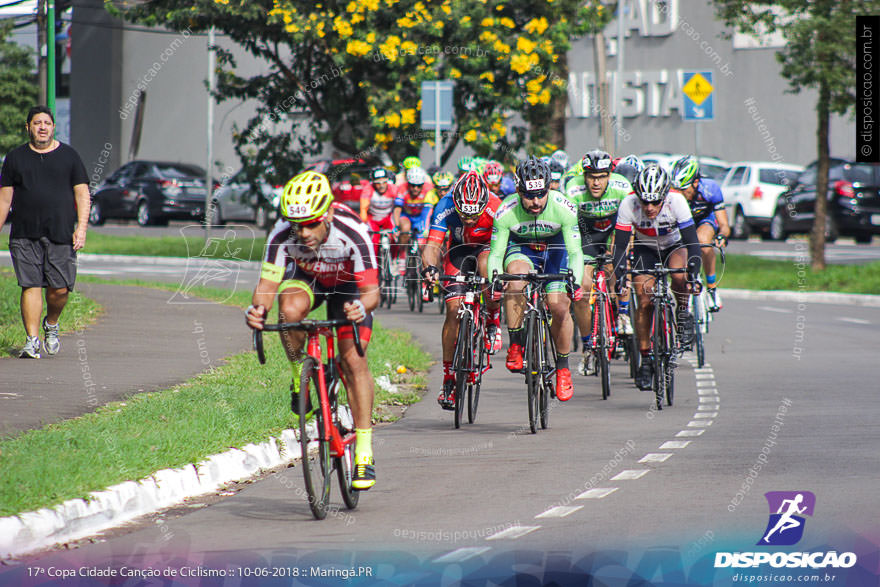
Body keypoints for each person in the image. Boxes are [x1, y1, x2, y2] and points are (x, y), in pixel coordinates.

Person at [245, 171, 380, 490]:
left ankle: (363, 450)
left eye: (311, 223)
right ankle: (299, 375)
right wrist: (258, 310)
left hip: (348, 290)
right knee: (288, 311)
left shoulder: (354, 231)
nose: (303, 232)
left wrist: (360, 308)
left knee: (352, 362)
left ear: (329, 213)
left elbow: (372, 292)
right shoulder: (281, 234)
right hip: (309, 281)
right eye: (297, 225)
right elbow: (266, 286)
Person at [488, 157, 584, 401]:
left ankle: (563, 369)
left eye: (541, 194)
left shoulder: (564, 206)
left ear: (549, 187)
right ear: (519, 190)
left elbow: (574, 252)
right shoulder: (506, 210)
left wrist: (576, 281)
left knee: (558, 306)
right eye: (529, 195)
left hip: (556, 251)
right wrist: (495, 280)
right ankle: (517, 343)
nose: (535, 201)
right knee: (515, 280)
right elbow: (497, 254)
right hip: (522, 250)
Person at [0, 105, 90, 359]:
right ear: (28, 127)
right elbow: (4, 201)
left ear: (53, 127)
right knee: (30, 285)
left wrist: (81, 228)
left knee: (59, 289)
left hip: (61, 233)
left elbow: (82, 194)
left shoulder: (70, 157)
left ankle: (51, 324)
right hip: (24, 234)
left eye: (47, 123)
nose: (42, 127)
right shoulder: (15, 158)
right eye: (37, 123)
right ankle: (32, 340)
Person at [610, 164, 702, 391]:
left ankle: (682, 312)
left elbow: (692, 242)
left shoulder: (677, 201)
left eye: (655, 202)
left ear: (665, 196)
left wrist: (694, 273)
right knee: (644, 300)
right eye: (645, 202)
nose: (649, 207)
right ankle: (646, 358)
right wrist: (620, 274)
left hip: (674, 245)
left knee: (680, 276)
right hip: (646, 249)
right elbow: (620, 247)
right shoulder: (628, 204)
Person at [422, 171, 503, 409]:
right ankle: (448, 378)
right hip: (458, 251)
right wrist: (429, 268)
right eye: (463, 214)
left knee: (488, 269)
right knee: (453, 309)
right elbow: (433, 245)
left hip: (488, 248)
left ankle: (492, 320)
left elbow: (504, 243)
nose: (468, 219)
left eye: (473, 215)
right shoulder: (445, 205)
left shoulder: (495, 206)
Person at [563, 149, 634, 376]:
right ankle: (588, 346)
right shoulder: (572, 189)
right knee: (582, 290)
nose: (596, 182)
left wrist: (623, 253)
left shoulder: (622, 187)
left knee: (620, 265)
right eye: (591, 176)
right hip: (586, 238)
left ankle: (622, 312)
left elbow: (629, 225)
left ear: (609, 176)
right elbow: (569, 229)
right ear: (584, 176)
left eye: (601, 176)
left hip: (614, 232)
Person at [670, 155, 730, 311]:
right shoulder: (674, 196)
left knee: (702, 242)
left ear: (696, 183)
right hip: (682, 222)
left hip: (704, 220)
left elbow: (724, 224)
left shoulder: (710, 189)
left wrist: (722, 235)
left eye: (684, 189)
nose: (680, 194)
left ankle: (711, 288)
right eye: (677, 189)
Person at [392, 166, 435, 268]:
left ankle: (422, 265)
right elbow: (397, 209)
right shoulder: (402, 189)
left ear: (423, 184)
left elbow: (430, 210)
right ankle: (401, 254)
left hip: (421, 217)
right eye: (413, 185)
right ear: (408, 184)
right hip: (406, 215)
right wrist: (396, 225)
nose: (416, 189)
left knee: (422, 244)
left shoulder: (429, 189)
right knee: (405, 229)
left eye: (419, 186)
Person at [360, 167, 398, 254]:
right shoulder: (368, 189)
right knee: (374, 241)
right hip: (373, 218)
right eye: (378, 183)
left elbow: (399, 208)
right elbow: (363, 209)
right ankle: (375, 264)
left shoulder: (393, 188)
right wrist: (364, 224)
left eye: (384, 182)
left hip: (388, 217)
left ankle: (395, 260)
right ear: (373, 183)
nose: (381, 186)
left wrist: (397, 225)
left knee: (395, 239)